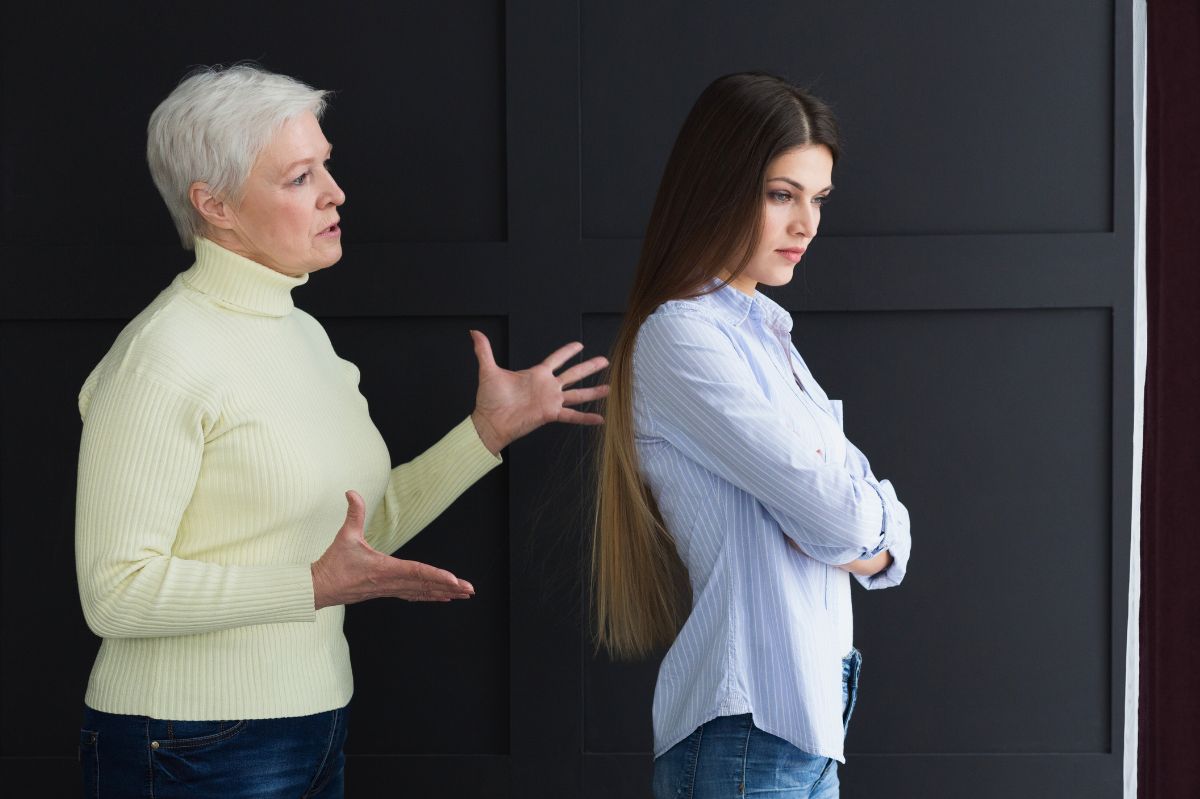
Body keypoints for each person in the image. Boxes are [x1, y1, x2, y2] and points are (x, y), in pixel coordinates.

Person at [74, 64, 608, 798]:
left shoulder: (306, 337)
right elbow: (115, 591)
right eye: (300, 176)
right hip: (186, 743)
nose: (335, 191)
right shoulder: (160, 355)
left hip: (315, 722)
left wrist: (486, 432)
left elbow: (360, 533)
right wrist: (310, 585)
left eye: (326, 164)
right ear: (215, 204)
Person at [592, 72, 912, 799]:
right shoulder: (681, 336)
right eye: (781, 195)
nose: (808, 225)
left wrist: (865, 526)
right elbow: (839, 512)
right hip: (748, 737)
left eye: (817, 199)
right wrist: (863, 524)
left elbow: (864, 525)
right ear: (717, 186)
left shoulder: (769, 339)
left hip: (804, 733)